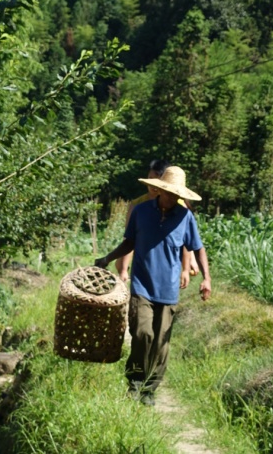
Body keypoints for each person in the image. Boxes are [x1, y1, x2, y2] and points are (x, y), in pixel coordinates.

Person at [95, 165, 211, 405]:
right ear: (160, 191)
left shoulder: (185, 217)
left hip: (168, 290)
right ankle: (135, 382)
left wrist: (206, 279)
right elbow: (129, 243)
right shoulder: (141, 212)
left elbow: (198, 248)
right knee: (141, 333)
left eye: (178, 195)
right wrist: (108, 259)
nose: (174, 198)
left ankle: (150, 388)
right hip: (142, 286)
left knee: (160, 342)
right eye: (170, 193)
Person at [115, 160, 199, 284]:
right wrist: (123, 268)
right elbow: (129, 239)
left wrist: (191, 261)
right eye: (150, 178)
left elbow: (185, 238)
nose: (152, 187)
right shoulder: (137, 205)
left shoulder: (180, 208)